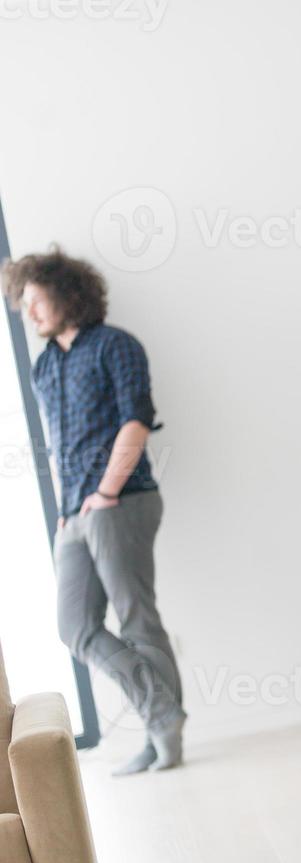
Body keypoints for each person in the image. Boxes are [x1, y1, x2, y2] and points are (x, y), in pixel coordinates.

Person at [2, 247, 185, 776]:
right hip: (75, 513)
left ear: (67, 293)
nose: (29, 313)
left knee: (137, 619)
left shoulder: (115, 345)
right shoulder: (44, 367)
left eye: (35, 300)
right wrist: (67, 510)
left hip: (121, 501)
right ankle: (164, 712)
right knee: (75, 626)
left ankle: (162, 735)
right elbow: (63, 443)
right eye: (23, 305)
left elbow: (136, 421)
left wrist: (104, 493)